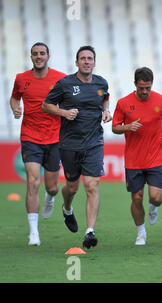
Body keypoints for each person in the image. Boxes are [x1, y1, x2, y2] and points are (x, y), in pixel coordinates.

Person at [42, 45, 112, 249]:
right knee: (72, 187)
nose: (87, 61)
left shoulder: (101, 83)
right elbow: (46, 105)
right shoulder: (64, 84)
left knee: (92, 185)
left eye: (90, 58)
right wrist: (64, 113)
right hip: (70, 144)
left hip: (94, 143)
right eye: (83, 58)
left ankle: (90, 231)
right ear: (77, 62)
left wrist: (107, 111)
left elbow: (105, 99)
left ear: (94, 62)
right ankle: (67, 208)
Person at [9, 42, 66, 246]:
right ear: (31, 57)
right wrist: (16, 108)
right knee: (32, 182)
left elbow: (68, 102)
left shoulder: (60, 79)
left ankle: (50, 198)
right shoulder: (21, 79)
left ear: (48, 57)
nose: (38, 57)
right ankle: (33, 232)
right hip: (30, 137)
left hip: (54, 138)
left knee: (52, 187)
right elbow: (15, 98)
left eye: (42, 53)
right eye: (35, 54)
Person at [112, 67, 162, 245]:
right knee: (136, 197)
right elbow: (115, 127)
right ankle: (141, 233)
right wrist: (127, 127)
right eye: (141, 88)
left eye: (148, 88)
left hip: (155, 157)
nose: (145, 91)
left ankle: (153, 207)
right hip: (133, 159)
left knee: (156, 197)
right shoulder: (123, 103)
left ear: (152, 85)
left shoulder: (161, 100)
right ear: (135, 84)